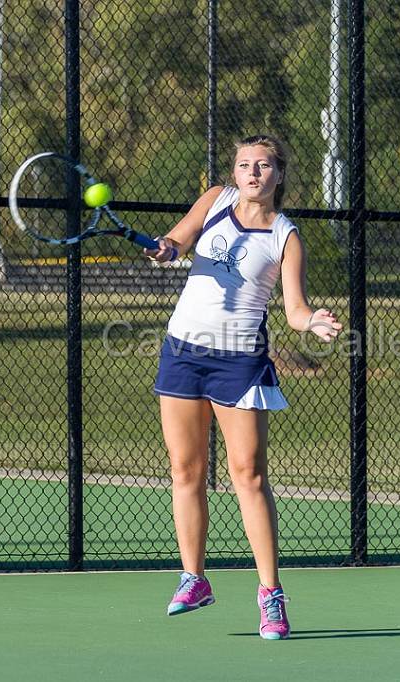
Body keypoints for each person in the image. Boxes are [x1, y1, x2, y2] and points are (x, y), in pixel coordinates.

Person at [145, 134, 342, 640]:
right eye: (243, 164)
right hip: (183, 352)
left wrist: (310, 321)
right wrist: (166, 249)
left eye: (263, 165)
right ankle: (195, 579)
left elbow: (293, 307)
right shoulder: (215, 200)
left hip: (239, 362)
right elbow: (177, 240)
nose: (252, 172)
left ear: (279, 175)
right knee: (185, 470)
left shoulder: (285, 236)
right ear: (233, 173)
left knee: (248, 475)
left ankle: (271, 596)